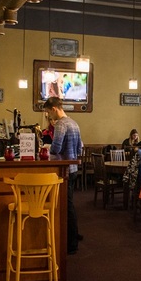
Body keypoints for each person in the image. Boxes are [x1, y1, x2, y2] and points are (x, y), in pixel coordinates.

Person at [43, 97, 83, 255]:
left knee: (66, 205)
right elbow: (80, 148)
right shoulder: (74, 123)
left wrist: (46, 147)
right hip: (73, 168)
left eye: (48, 112)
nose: (48, 116)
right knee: (69, 204)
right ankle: (75, 235)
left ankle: (71, 243)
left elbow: (56, 149)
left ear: (53, 109)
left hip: (63, 170)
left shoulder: (60, 124)